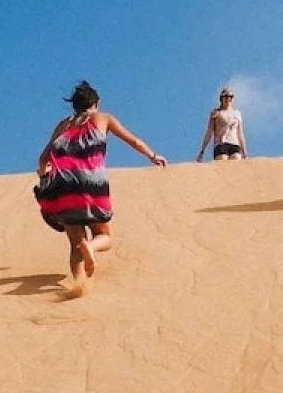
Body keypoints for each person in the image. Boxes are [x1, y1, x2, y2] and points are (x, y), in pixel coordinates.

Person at [34, 81, 167, 292]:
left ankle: (79, 284)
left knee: (75, 241)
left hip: (63, 187)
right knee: (104, 236)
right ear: (95, 103)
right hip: (93, 184)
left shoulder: (63, 126)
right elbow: (132, 141)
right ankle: (92, 246)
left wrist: (45, 179)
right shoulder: (103, 118)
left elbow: (43, 160)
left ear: (75, 106)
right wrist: (152, 155)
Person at [196, 86, 248, 162]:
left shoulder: (237, 114)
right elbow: (209, 132)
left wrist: (245, 153)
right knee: (223, 165)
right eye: (226, 96)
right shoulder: (216, 113)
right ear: (221, 98)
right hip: (221, 144)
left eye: (231, 96)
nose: (228, 99)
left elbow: (240, 133)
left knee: (236, 165)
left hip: (235, 144)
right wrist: (202, 151)